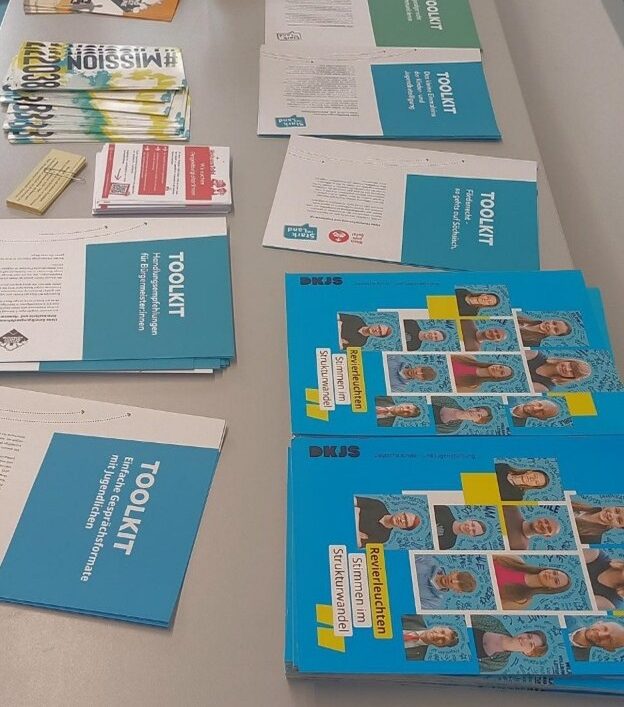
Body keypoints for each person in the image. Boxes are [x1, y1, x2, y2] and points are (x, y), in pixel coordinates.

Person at [471, 615, 548, 672]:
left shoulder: (499, 663)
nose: (525, 639)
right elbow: (466, 617)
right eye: (529, 636)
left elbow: (470, 667)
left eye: (531, 644)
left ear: (528, 653)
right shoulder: (495, 623)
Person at [492, 555, 571, 610]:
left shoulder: (522, 600)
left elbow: (492, 606)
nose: (551, 575)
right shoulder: (517, 560)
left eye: (556, 581)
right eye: (554, 572)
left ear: (551, 589)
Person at [354, 496, 421, 547]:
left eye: (405, 523)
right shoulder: (378, 505)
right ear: (401, 512)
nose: (402, 520)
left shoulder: (383, 537)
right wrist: (357, 532)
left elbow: (357, 543)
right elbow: (353, 500)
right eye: (404, 516)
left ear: (402, 528)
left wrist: (357, 513)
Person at [524, 350, 591, 392]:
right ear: (567, 361)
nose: (567, 369)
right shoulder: (535, 354)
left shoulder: (546, 387)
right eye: (570, 365)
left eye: (572, 372)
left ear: (571, 378)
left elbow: (522, 386)